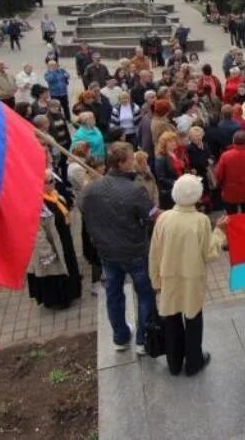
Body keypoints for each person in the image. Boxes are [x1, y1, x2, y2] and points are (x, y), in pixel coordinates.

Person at [79, 143, 157, 354]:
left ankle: (120, 337)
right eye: (131, 159)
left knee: (113, 294)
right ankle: (143, 339)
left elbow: (82, 207)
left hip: (106, 252)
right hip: (135, 251)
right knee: (145, 294)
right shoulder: (134, 190)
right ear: (122, 163)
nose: (133, 163)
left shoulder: (91, 189)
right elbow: (151, 216)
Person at [149, 175, 227, 375]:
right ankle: (194, 362)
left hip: (168, 277)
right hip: (192, 279)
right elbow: (209, 253)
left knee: (172, 319)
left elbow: (154, 253)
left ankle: (174, 363)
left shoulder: (163, 218)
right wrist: (219, 231)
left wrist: (155, 280)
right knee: (193, 319)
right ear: (197, 196)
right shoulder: (200, 221)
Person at [27, 171, 82, 310]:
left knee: (68, 264)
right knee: (55, 270)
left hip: (63, 238)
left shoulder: (55, 196)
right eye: (50, 181)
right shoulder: (37, 204)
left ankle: (72, 292)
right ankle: (58, 300)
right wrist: (46, 251)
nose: (54, 183)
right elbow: (37, 233)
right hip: (52, 244)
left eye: (53, 180)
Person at [214, 130, 245, 214]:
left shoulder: (225, 156)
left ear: (233, 140)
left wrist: (220, 185)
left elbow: (219, 174)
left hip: (230, 191)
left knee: (231, 216)